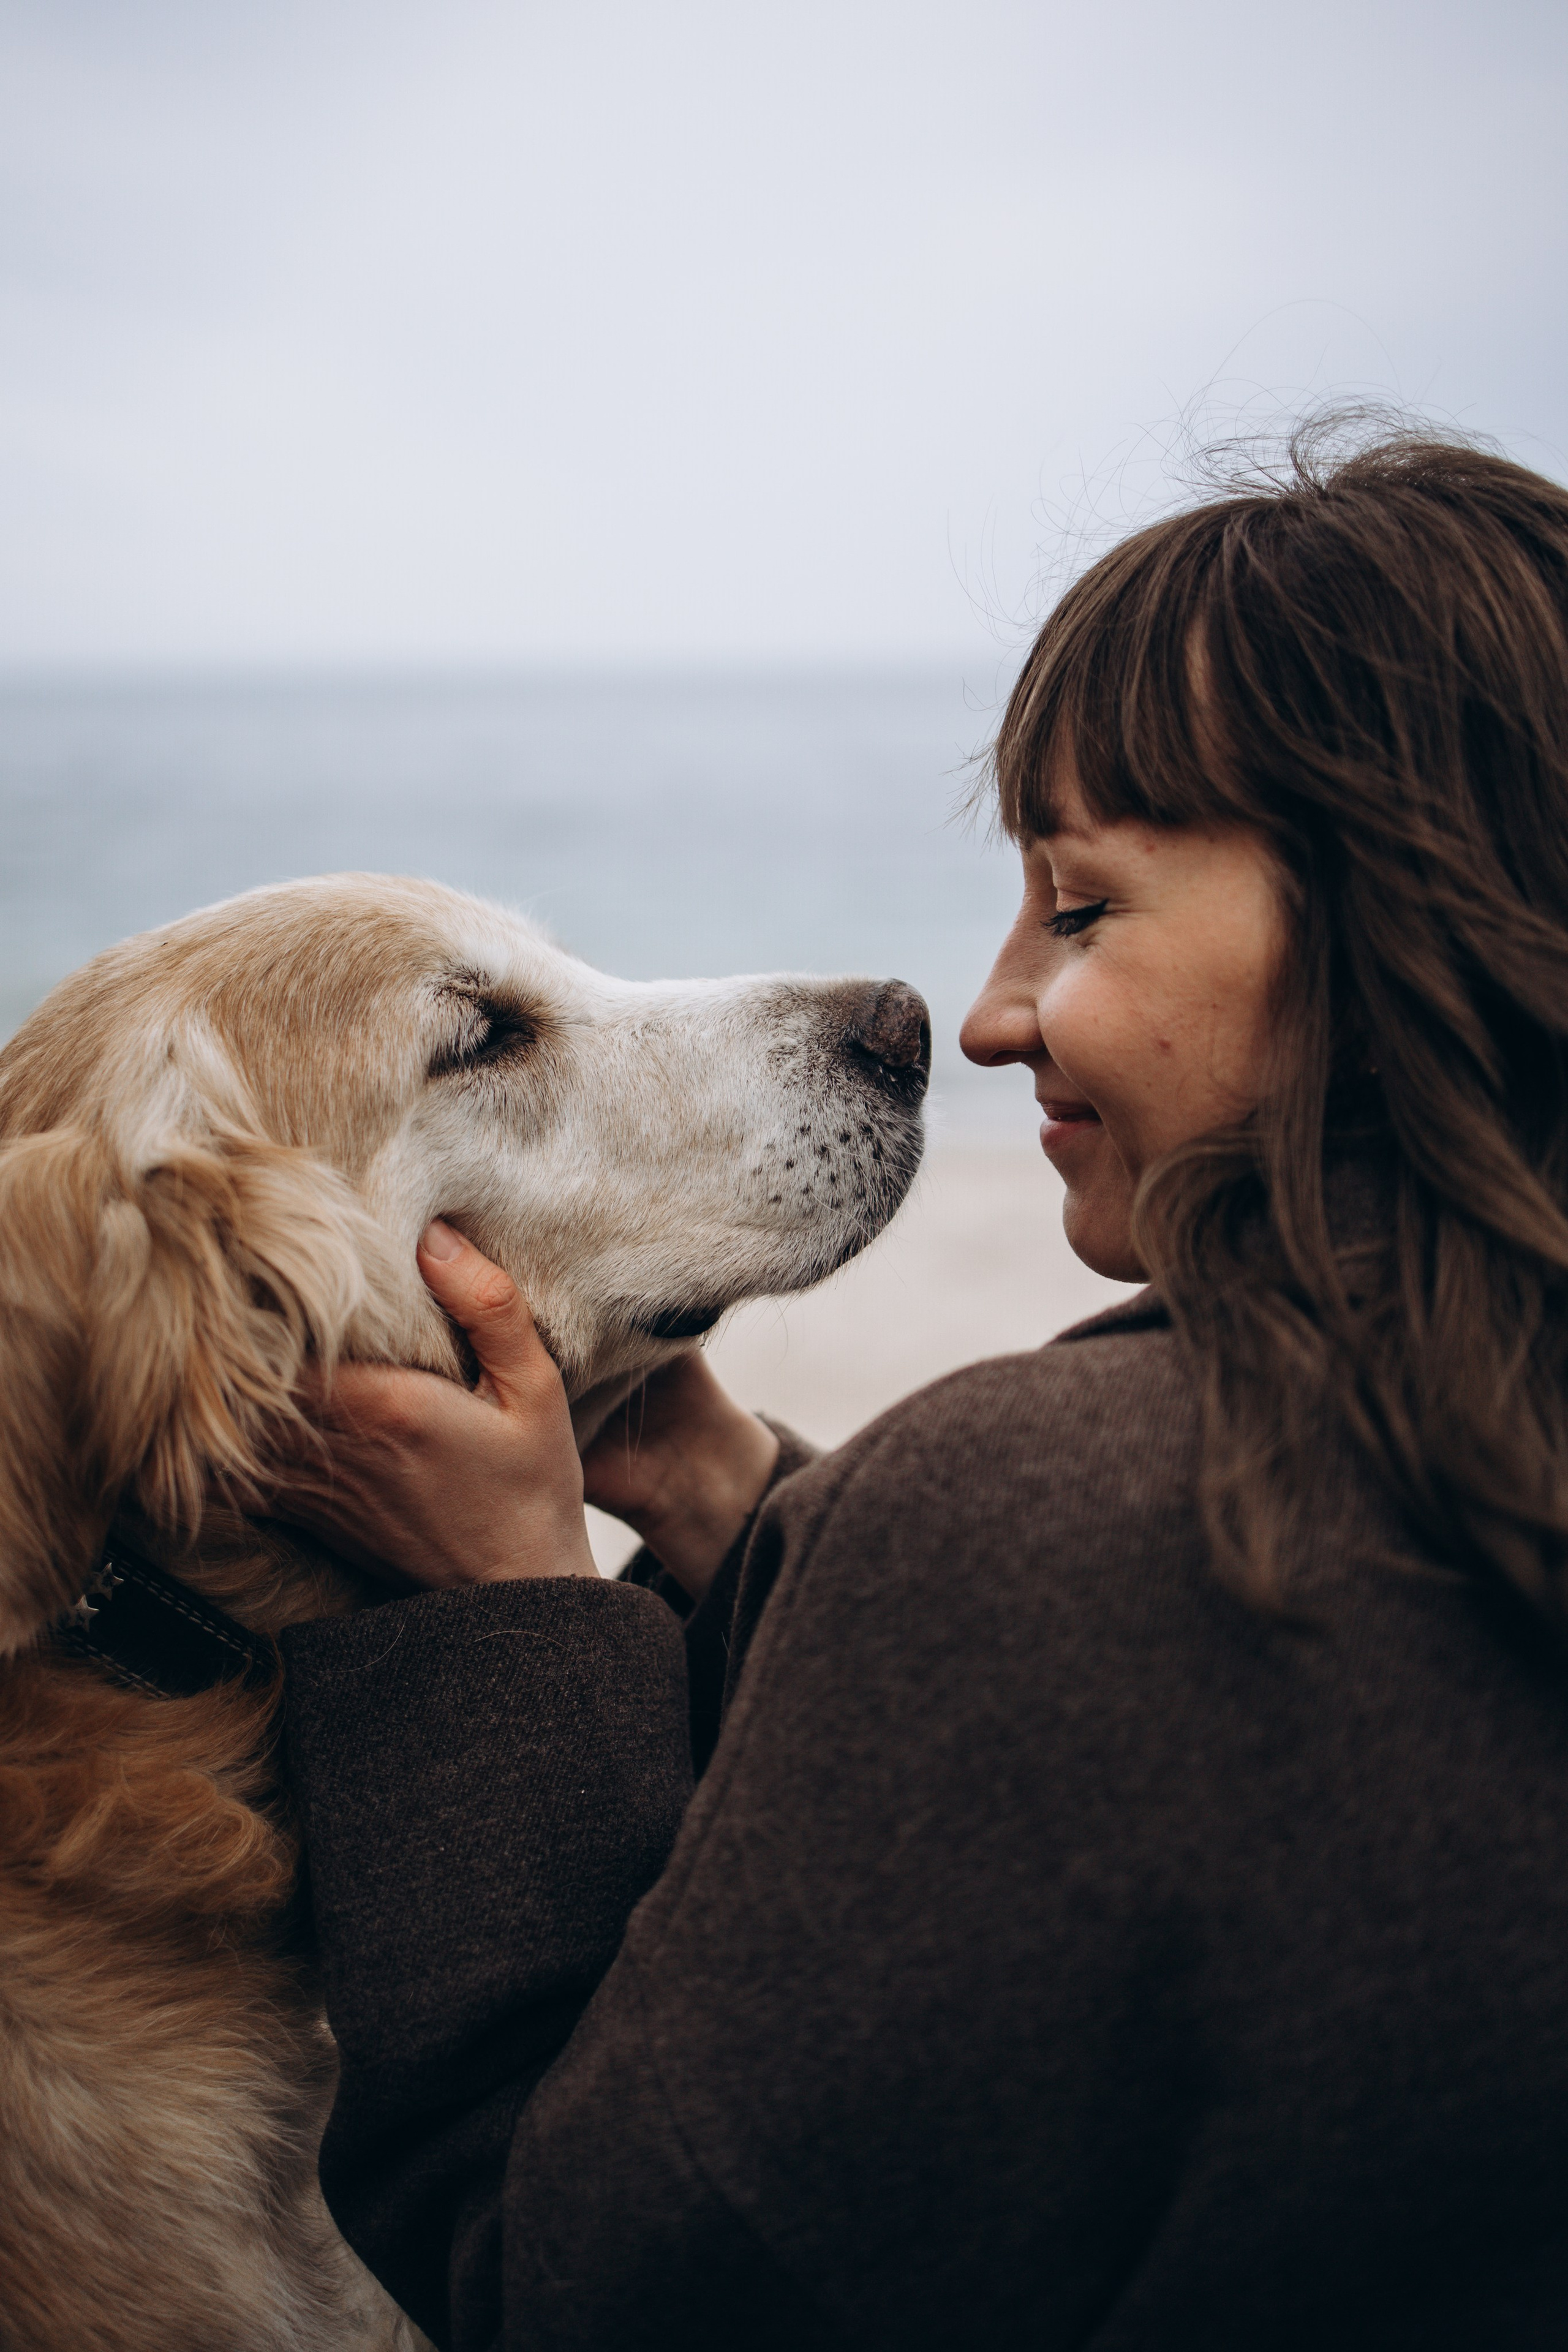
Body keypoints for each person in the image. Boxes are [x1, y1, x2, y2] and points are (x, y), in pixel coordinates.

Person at [277, 427, 1568, 2350]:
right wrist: (716, 1491)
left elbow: (575, 2283)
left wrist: (507, 1619)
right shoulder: (1455, 1466)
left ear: (1399, 922)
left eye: (1083, 908)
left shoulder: (1055, 1528)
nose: (985, 1014)